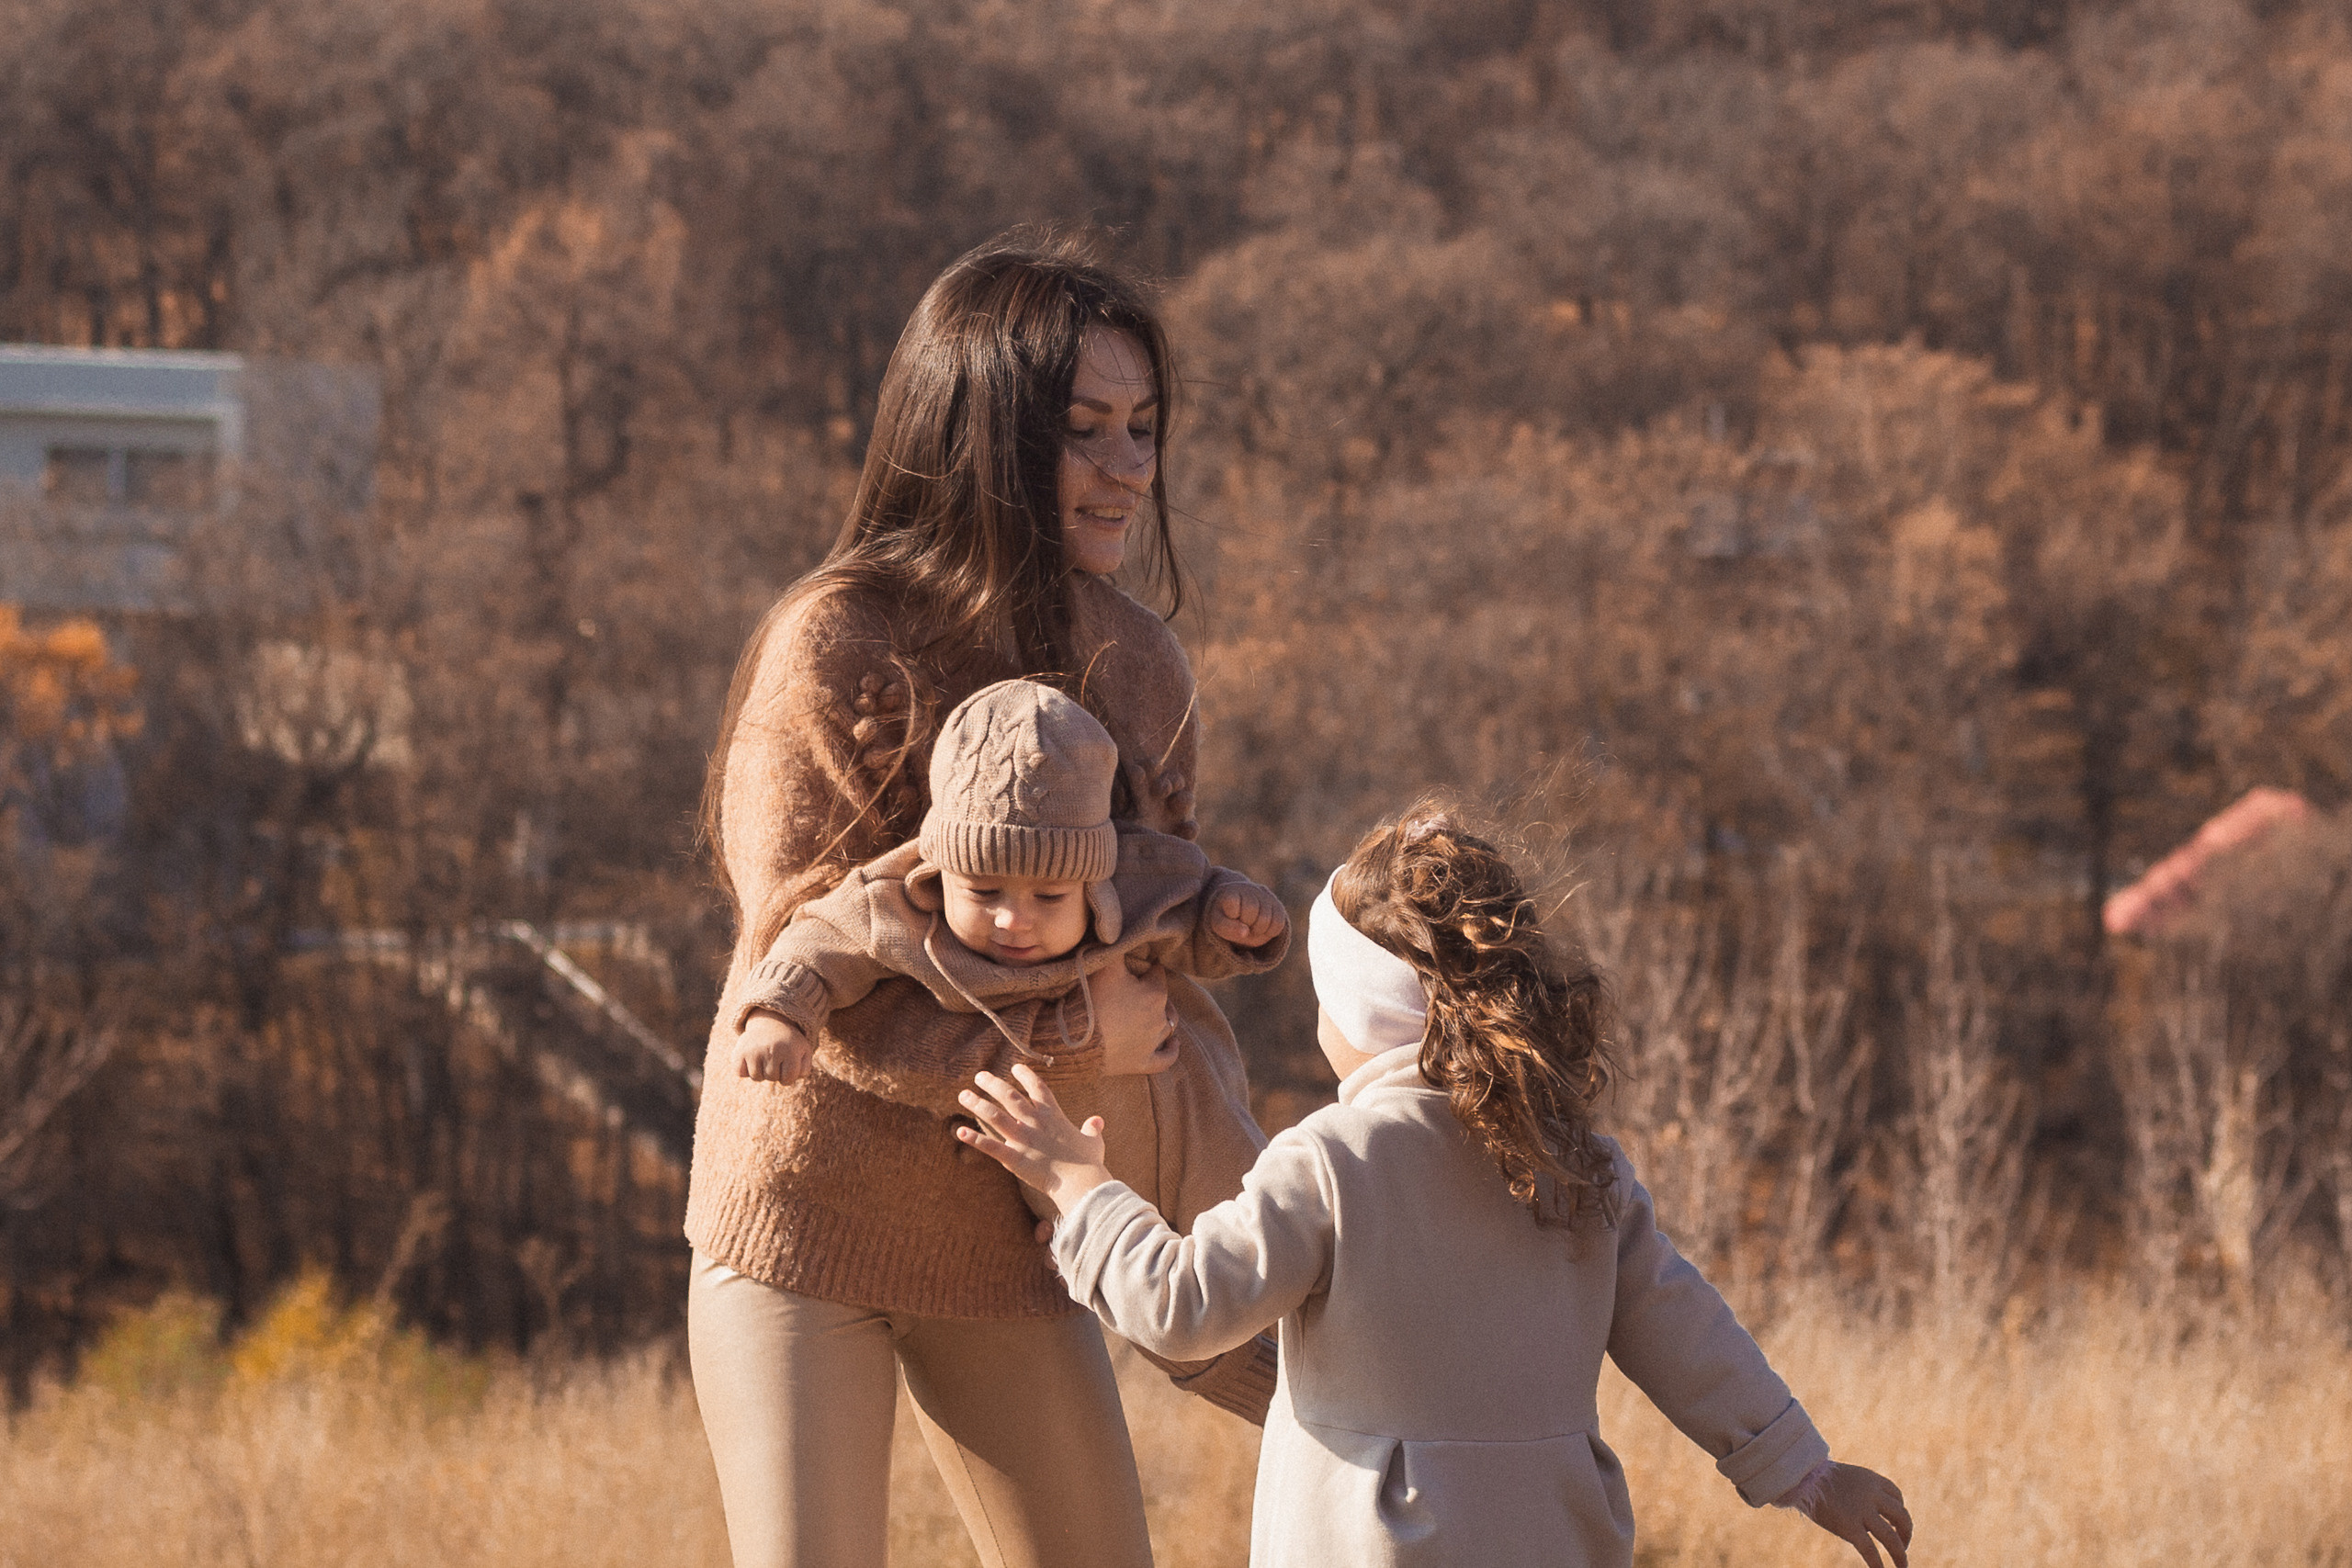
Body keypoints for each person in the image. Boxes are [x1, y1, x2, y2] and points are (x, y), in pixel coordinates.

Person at [685, 231, 1276, 1568]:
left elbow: (1134, 933)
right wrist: (1075, 1043)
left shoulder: (1137, 657)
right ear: (982, 438)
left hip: (1012, 1226)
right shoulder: (836, 640)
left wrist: (1230, 926)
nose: (1130, 466)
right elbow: (809, 982)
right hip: (806, 1205)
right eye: (1084, 431)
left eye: (1144, 426)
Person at [958, 804, 1917, 1568]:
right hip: (1556, 1537)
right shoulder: (1578, 1164)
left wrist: (1084, 1194)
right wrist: (1807, 1473)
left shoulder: (1333, 1159)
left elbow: (1182, 1306)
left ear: (1362, 1017)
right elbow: (1685, 1332)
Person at [730, 676, 1289, 1243]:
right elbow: (818, 940)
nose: (1013, 920)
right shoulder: (898, 903)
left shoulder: (1136, 880)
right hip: (1074, 1188)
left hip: (1193, 1110)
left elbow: (1194, 911)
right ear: (940, 868)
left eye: (1050, 898)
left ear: (1093, 878)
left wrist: (1234, 917)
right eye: (982, 892)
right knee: (1132, 1291)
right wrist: (779, 1014)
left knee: (1254, 1248)